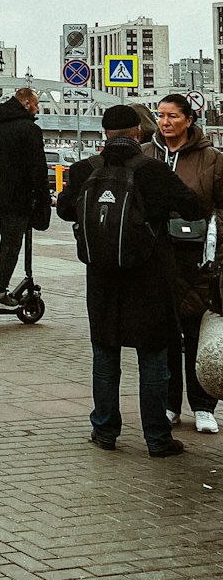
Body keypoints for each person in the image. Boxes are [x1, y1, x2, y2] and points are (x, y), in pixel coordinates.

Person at [57, 104, 203, 457]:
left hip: (102, 277)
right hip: (150, 278)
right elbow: (193, 208)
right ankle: (157, 438)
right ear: (138, 132)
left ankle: (105, 430)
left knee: (105, 355)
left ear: (104, 133)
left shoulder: (83, 170)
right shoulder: (152, 170)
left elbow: (63, 209)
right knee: (153, 357)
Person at [143, 93, 223, 435]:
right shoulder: (147, 155)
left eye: (173, 116)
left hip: (197, 259)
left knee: (195, 332)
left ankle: (203, 406)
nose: (165, 122)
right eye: (161, 116)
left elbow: (220, 207)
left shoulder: (212, 159)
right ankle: (170, 404)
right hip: (157, 257)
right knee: (165, 335)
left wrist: (212, 241)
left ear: (189, 120)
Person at [0, 87, 49, 306]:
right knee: (10, 244)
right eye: (36, 104)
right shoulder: (29, 129)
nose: (37, 108)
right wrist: (43, 197)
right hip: (16, 197)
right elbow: (37, 168)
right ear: (26, 104)